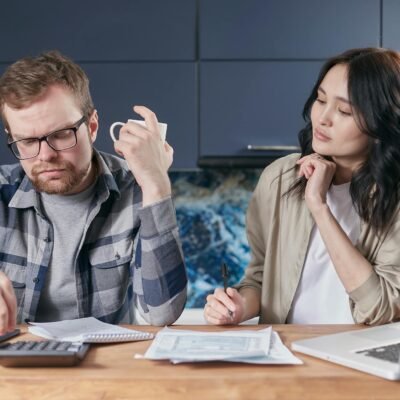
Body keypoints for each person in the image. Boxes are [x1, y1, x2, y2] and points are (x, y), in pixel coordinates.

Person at [204, 47, 400, 326]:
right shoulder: (280, 177)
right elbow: (260, 278)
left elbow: (381, 307)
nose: (322, 117)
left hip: (361, 361)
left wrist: (319, 206)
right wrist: (237, 306)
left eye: (344, 110)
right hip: (288, 355)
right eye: (320, 99)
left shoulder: (395, 199)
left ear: (382, 122)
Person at [0, 51, 187, 335]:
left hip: (107, 369)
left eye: (62, 134)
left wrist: (156, 184)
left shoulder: (135, 189)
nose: (46, 155)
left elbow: (162, 313)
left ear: (93, 126)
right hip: (18, 371)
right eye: (27, 141)